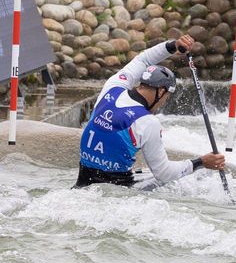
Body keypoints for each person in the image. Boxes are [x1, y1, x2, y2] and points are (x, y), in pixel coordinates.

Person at [74, 35, 226, 188]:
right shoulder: (147, 122)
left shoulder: (113, 87)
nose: (162, 103)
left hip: (82, 184)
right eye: (165, 97)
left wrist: (173, 45)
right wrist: (201, 162)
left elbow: (143, 60)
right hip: (120, 195)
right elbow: (164, 173)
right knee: (194, 179)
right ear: (160, 92)